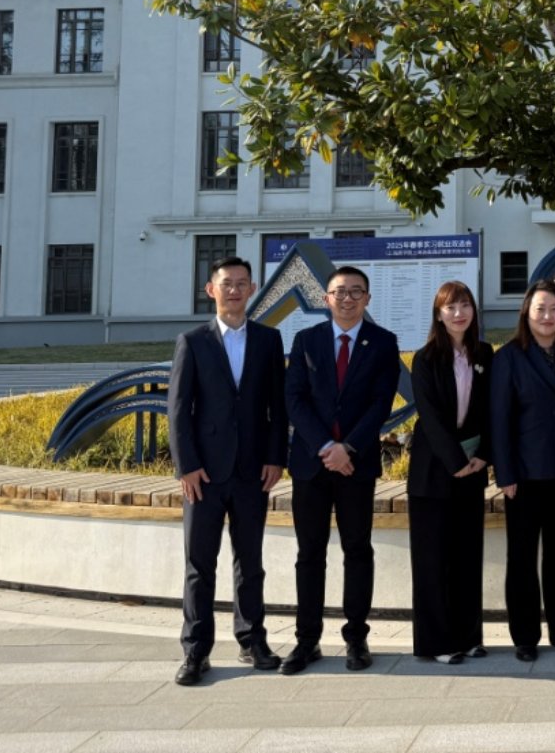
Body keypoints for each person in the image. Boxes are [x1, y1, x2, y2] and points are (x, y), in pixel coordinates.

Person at [168, 255, 288, 685]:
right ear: (211, 290)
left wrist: (276, 458)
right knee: (199, 565)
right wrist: (187, 466)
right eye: (227, 284)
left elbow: (278, 406)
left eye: (242, 283)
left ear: (252, 289)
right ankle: (195, 650)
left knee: (250, 561)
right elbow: (178, 410)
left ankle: (252, 640)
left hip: (253, 471)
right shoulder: (192, 341)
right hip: (203, 475)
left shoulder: (269, 340)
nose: (234, 290)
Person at [281, 264, 402, 675]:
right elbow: (294, 399)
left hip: (356, 465)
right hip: (311, 466)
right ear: (326, 299)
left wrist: (347, 448)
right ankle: (306, 640)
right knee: (309, 554)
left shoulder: (383, 343)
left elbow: (381, 403)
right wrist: (325, 446)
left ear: (367, 298)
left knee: (358, 550)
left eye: (356, 292)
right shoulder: (306, 340)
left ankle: (356, 638)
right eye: (339, 292)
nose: (347, 298)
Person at [491, 279, 555, 662]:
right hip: (524, 474)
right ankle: (525, 636)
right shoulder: (509, 357)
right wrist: (505, 474)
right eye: (540, 309)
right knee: (521, 557)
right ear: (527, 312)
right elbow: (499, 420)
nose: (547, 316)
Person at [407, 280, 493, 664]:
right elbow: (430, 416)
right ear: (438, 315)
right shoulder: (425, 359)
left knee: (467, 556)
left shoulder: (485, 354)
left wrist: (484, 456)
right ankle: (437, 644)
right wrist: (456, 461)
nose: (459, 313)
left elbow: (493, 409)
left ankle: (468, 636)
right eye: (450, 307)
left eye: (465, 305)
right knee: (432, 561)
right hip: (434, 473)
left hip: (473, 470)